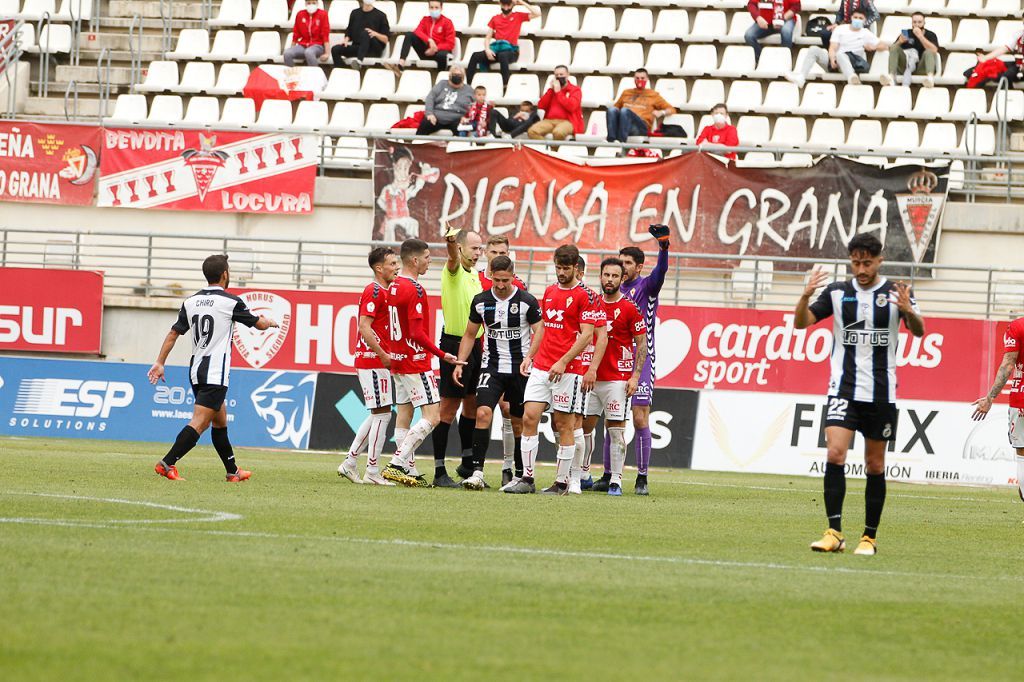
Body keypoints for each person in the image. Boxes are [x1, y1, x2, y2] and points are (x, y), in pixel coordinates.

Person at [794, 233, 925, 556]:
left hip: (881, 393)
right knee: (835, 454)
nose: (861, 269)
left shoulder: (897, 292)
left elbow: (920, 330)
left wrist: (908, 311)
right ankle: (834, 532)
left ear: (880, 260)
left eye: (867, 263)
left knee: (874, 465)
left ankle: (869, 538)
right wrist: (805, 296)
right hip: (843, 389)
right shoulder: (837, 292)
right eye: (856, 262)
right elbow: (802, 323)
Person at [149, 255, 278, 482]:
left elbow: (173, 333)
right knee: (200, 422)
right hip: (215, 372)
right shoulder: (230, 302)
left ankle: (232, 471)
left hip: (196, 370)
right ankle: (167, 463)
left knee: (220, 421)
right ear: (225, 275)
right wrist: (268, 322)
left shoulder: (191, 301)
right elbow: (257, 323)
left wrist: (160, 362)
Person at [504, 244, 598, 495]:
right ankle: (527, 478)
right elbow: (544, 327)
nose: (561, 272)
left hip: (568, 370)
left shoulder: (585, 295)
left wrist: (563, 361)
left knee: (563, 424)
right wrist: (529, 356)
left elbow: (587, 335)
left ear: (576, 268)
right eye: (558, 267)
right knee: (529, 417)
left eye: (565, 268)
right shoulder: (550, 290)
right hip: (542, 366)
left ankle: (562, 482)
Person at [591, 224, 670, 496]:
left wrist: (664, 247)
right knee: (611, 419)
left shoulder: (647, 286)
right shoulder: (610, 291)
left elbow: (661, 272)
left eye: (627, 263)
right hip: (612, 361)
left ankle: (642, 477)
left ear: (638, 267)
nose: (622, 268)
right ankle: (607, 474)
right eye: (620, 262)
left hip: (641, 360)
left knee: (639, 418)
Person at [454, 256, 542, 490]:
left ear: (513, 276)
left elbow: (540, 331)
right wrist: (460, 363)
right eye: (497, 280)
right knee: (482, 413)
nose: (501, 285)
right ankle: (477, 473)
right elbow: (470, 334)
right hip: (491, 366)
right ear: (490, 275)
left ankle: (520, 475)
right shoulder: (481, 301)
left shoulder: (526, 301)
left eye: (505, 280)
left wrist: (529, 358)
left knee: (517, 422)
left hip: (519, 370)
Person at [381, 239, 464, 486]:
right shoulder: (415, 289)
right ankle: (396, 464)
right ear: (415, 260)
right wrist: (442, 354)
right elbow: (417, 334)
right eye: (427, 257)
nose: (430, 261)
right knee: (433, 416)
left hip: (397, 360)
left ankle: (409, 469)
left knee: (404, 414)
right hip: (415, 362)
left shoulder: (393, 286)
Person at [583, 258, 647, 496]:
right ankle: (583, 474)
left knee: (616, 428)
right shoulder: (591, 304)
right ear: (600, 277)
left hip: (617, 379)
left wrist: (635, 376)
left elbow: (642, 344)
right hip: (590, 376)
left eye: (614, 276)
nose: (609, 280)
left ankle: (616, 480)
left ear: (622, 279)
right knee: (584, 426)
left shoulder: (630, 308)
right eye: (606, 275)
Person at [337, 247, 400, 487]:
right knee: (382, 413)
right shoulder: (374, 290)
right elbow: (364, 326)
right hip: (372, 360)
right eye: (392, 263)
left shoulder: (384, 291)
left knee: (379, 413)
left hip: (375, 360)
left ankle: (351, 463)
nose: (396, 267)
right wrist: (383, 354)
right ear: (378, 268)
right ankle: (372, 470)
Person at [435, 227, 484, 487]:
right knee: (448, 408)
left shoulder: (475, 275)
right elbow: (452, 258)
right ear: (462, 247)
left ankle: (467, 464)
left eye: (480, 249)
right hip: (455, 344)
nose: (478, 253)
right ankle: (439, 470)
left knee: (472, 404)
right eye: (474, 248)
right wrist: (451, 242)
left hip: (475, 345)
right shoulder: (453, 270)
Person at [479, 235, 528, 484]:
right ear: (485, 253)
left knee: (509, 410)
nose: (500, 255)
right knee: (476, 411)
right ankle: (473, 468)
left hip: (509, 358)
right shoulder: (474, 279)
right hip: (481, 354)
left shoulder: (517, 285)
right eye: (495, 251)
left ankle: (508, 467)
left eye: (504, 252)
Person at [971, 317, 1024, 503]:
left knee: (1022, 454)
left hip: (1021, 400)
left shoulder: (1018, 326)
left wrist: (990, 397)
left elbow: (1008, 364)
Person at [787, 9, 887, 87]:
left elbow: (884, 45)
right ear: (851, 18)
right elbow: (832, 47)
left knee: (841, 54)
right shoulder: (840, 29)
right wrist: (832, 58)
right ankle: (801, 78)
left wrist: (873, 47)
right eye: (855, 17)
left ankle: (851, 77)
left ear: (865, 20)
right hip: (836, 62)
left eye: (860, 18)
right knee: (814, 49)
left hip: (854, 63)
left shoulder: (866, 33)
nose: (857, 20)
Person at [466, 0, 541, 88]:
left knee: (503, 55)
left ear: (512, 4)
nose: (506, 8)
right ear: (500, 4)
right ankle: (468, 84)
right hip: (497, 50)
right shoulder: (495, 18)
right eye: (504, 5)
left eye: (508, 5)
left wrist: (521, 2)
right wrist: (487, 50)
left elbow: (537, 13)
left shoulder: (518, 16)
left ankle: (505, 85)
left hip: (511, 51)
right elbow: (488, 37)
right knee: (475, 56)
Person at [605, 68, 676, 143]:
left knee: (625, 111)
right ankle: (611, 140)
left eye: (642, 78)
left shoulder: (653, 95)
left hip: (640, 127)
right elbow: (615, 108)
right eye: (637, 78)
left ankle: (621, 141)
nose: (640, 80)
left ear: (647, 79)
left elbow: (672, 109)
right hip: (623, 124)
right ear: (634, 79)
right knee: (611, 110)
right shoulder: (626, 92)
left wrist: (661, 112)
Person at [389, 0, 455, 74]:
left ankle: (440, 75)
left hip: (439, 52)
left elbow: (450, 44)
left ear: (441, 8)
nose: (434, 10)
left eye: (436, 7)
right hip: (427, 51)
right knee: (409, 35)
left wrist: (435, 48)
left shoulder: (447, 22)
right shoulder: (425, 19)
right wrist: (429, 40)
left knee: (442, 55)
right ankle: (401, 63)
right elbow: (417, 31)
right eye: (431, 7)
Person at [880, 12, 939, 88]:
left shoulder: (931, 34)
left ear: (924, 23)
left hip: (921, 67)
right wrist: (899, 42)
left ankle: (930, 78)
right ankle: (891, 77)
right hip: (905, 66)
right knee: (894, 47)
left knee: (929, 52)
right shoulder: (907, 33)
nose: (917, 24)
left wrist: (921, 36)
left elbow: (934, 50)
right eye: (914, 22)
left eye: (919, 22)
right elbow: (892, 49)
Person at [528, 65, 583, 141]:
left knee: (558, 132)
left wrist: (559, 92)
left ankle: (554, 151)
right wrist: (551, 90)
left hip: (568, 122)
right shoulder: (552, 91)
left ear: (567, 75)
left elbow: (572, 107)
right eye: (556, 75)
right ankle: (547, 149)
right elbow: (541, 105)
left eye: (561, 74)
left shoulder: (575, 90)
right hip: (549, 121)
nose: (559, 77)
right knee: (532, 131)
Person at [417, 64, 474, 136]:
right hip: (436, 118)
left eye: (459, 75)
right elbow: (430, 98)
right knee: (425, 125)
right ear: (450, 75)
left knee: (463, 130)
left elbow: (475, 105)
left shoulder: (469, 90)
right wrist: (429, 114)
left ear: (463, 77)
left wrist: (467, 117)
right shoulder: (442, 84)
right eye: (454, 74)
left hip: (457, 119)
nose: (456, 76)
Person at [331, 0, 390, 67]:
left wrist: (374, 34)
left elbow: (386, 39)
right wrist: (346, 40)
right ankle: (343, 69)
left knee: (366, 32)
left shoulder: (381, 15)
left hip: (372, 49)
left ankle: (359, 61)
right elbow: (349, 31)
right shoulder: (355, 13)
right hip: (357, 48)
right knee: (335, 49)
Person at [744, 0, 801, 65]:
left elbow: (796, 6)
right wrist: (758, 18)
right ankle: (762, 60)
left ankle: (785, 60)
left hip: (786, 19)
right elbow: (751, 4)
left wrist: (781, 19)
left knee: (786, 31)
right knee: (749, 35)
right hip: (766, 21)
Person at [284, 0, 330, 67]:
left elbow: (325, 34)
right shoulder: (300, 14)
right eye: (309, 3)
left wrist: (327, 53)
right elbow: (296, 33)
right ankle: (293, 74)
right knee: (287, 53)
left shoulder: (323, 14)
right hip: (303, 45)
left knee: (309, 52)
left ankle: (315, 74)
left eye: (314, 3)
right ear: (305, 4)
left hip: (318, 46)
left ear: (317, 3)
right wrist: (292, 48)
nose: (311, 5)